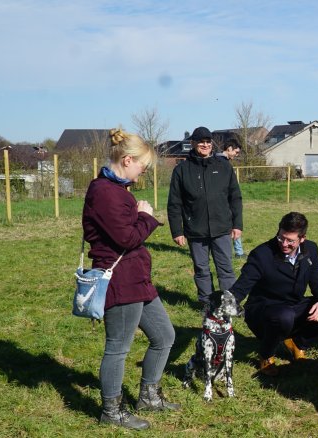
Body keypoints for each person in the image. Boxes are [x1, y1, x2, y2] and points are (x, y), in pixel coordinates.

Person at [82, 128, 178, 430]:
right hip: (119, 279)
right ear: (127, 159)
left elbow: (125, 231)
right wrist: (146, 215)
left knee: (164, 336)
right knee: (118, 348)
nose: (141, 176)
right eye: (142, 168)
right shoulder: (104, 192)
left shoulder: (117, 190)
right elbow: (126, 237)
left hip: (138, 277)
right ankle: (111, 411)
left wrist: (136, 213)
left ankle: (149, 395)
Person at [230, 212, 318, 376]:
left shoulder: (311, 249)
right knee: (284, 316)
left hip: (293, 306)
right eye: (281, 237)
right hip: (264, 310)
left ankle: (298, 344)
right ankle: (266, 355)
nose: (284, 243)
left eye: (290, 240)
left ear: (302, 238)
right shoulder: (262, 254)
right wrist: (223, 304)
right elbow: (242, 286)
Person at [167, 126, 243, 303]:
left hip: (222, 227)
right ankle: (206, 303)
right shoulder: (182, 170)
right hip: (195, 229)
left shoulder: (224, 166)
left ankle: (229, 303)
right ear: (193, 143)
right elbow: (174, 203)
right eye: (201, 141)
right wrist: (177, 231)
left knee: (225, 268)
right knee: (201, 269)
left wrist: (237, 224)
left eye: (208, 141)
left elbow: (235, 197)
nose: (205, 144)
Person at [217, 137, 245, 258]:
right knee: (231, 225)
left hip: (226, 201)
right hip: (223, 202)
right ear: (229, 149)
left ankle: (238, 251)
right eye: (236, 152)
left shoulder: (221, 161)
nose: (236, 155)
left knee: (234, 224)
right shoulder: (220, 163)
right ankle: (236, 252)